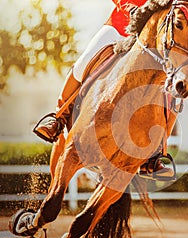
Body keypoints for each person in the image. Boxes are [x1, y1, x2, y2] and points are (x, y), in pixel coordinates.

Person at [33, 0, 174, 179]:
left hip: (155, 36)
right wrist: (129, 7)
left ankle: (154, 153)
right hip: (121, 25)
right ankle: (58, 118)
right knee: (83, 63)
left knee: (169, 85)